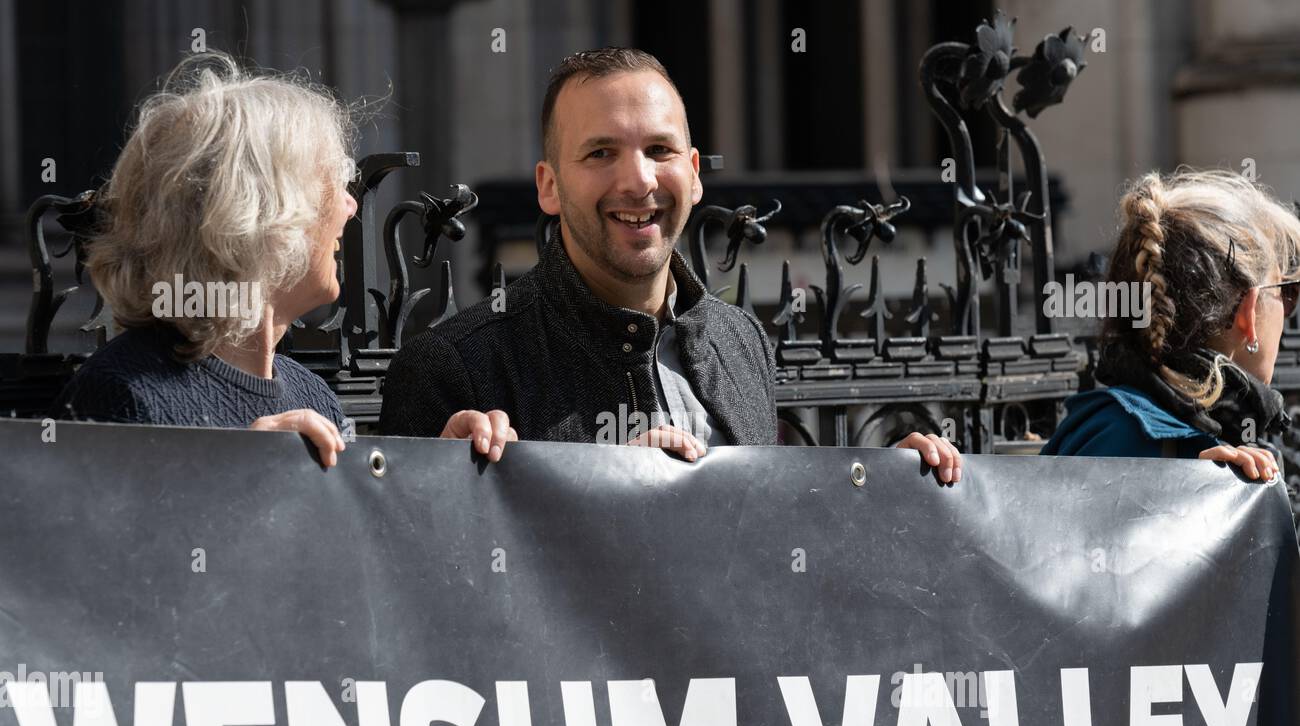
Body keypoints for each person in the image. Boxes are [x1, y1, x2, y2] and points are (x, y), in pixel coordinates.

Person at [380, 47, 962, 482]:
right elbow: (433, 597)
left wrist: (888, 489)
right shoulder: (453, 368)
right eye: (601, 152)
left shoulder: (741, 341)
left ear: (695, 172)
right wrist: (615, 496)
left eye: (659, 150)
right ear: (549, 186)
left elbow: (776, 548)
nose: (638, 181)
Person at [52, 52, 356, 468]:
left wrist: (450, 468)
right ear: (265, 213)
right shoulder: (122, 393)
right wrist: (230, 472)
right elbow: (101, 532)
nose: (350, 205)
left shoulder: (312, 393)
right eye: (333, 181)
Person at [1042, 168, 1300, 483]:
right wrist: (1183, 489)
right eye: (1286, 291)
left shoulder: (1117, 426)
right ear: (1248, 313)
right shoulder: (1123, 435)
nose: (1288, 311)